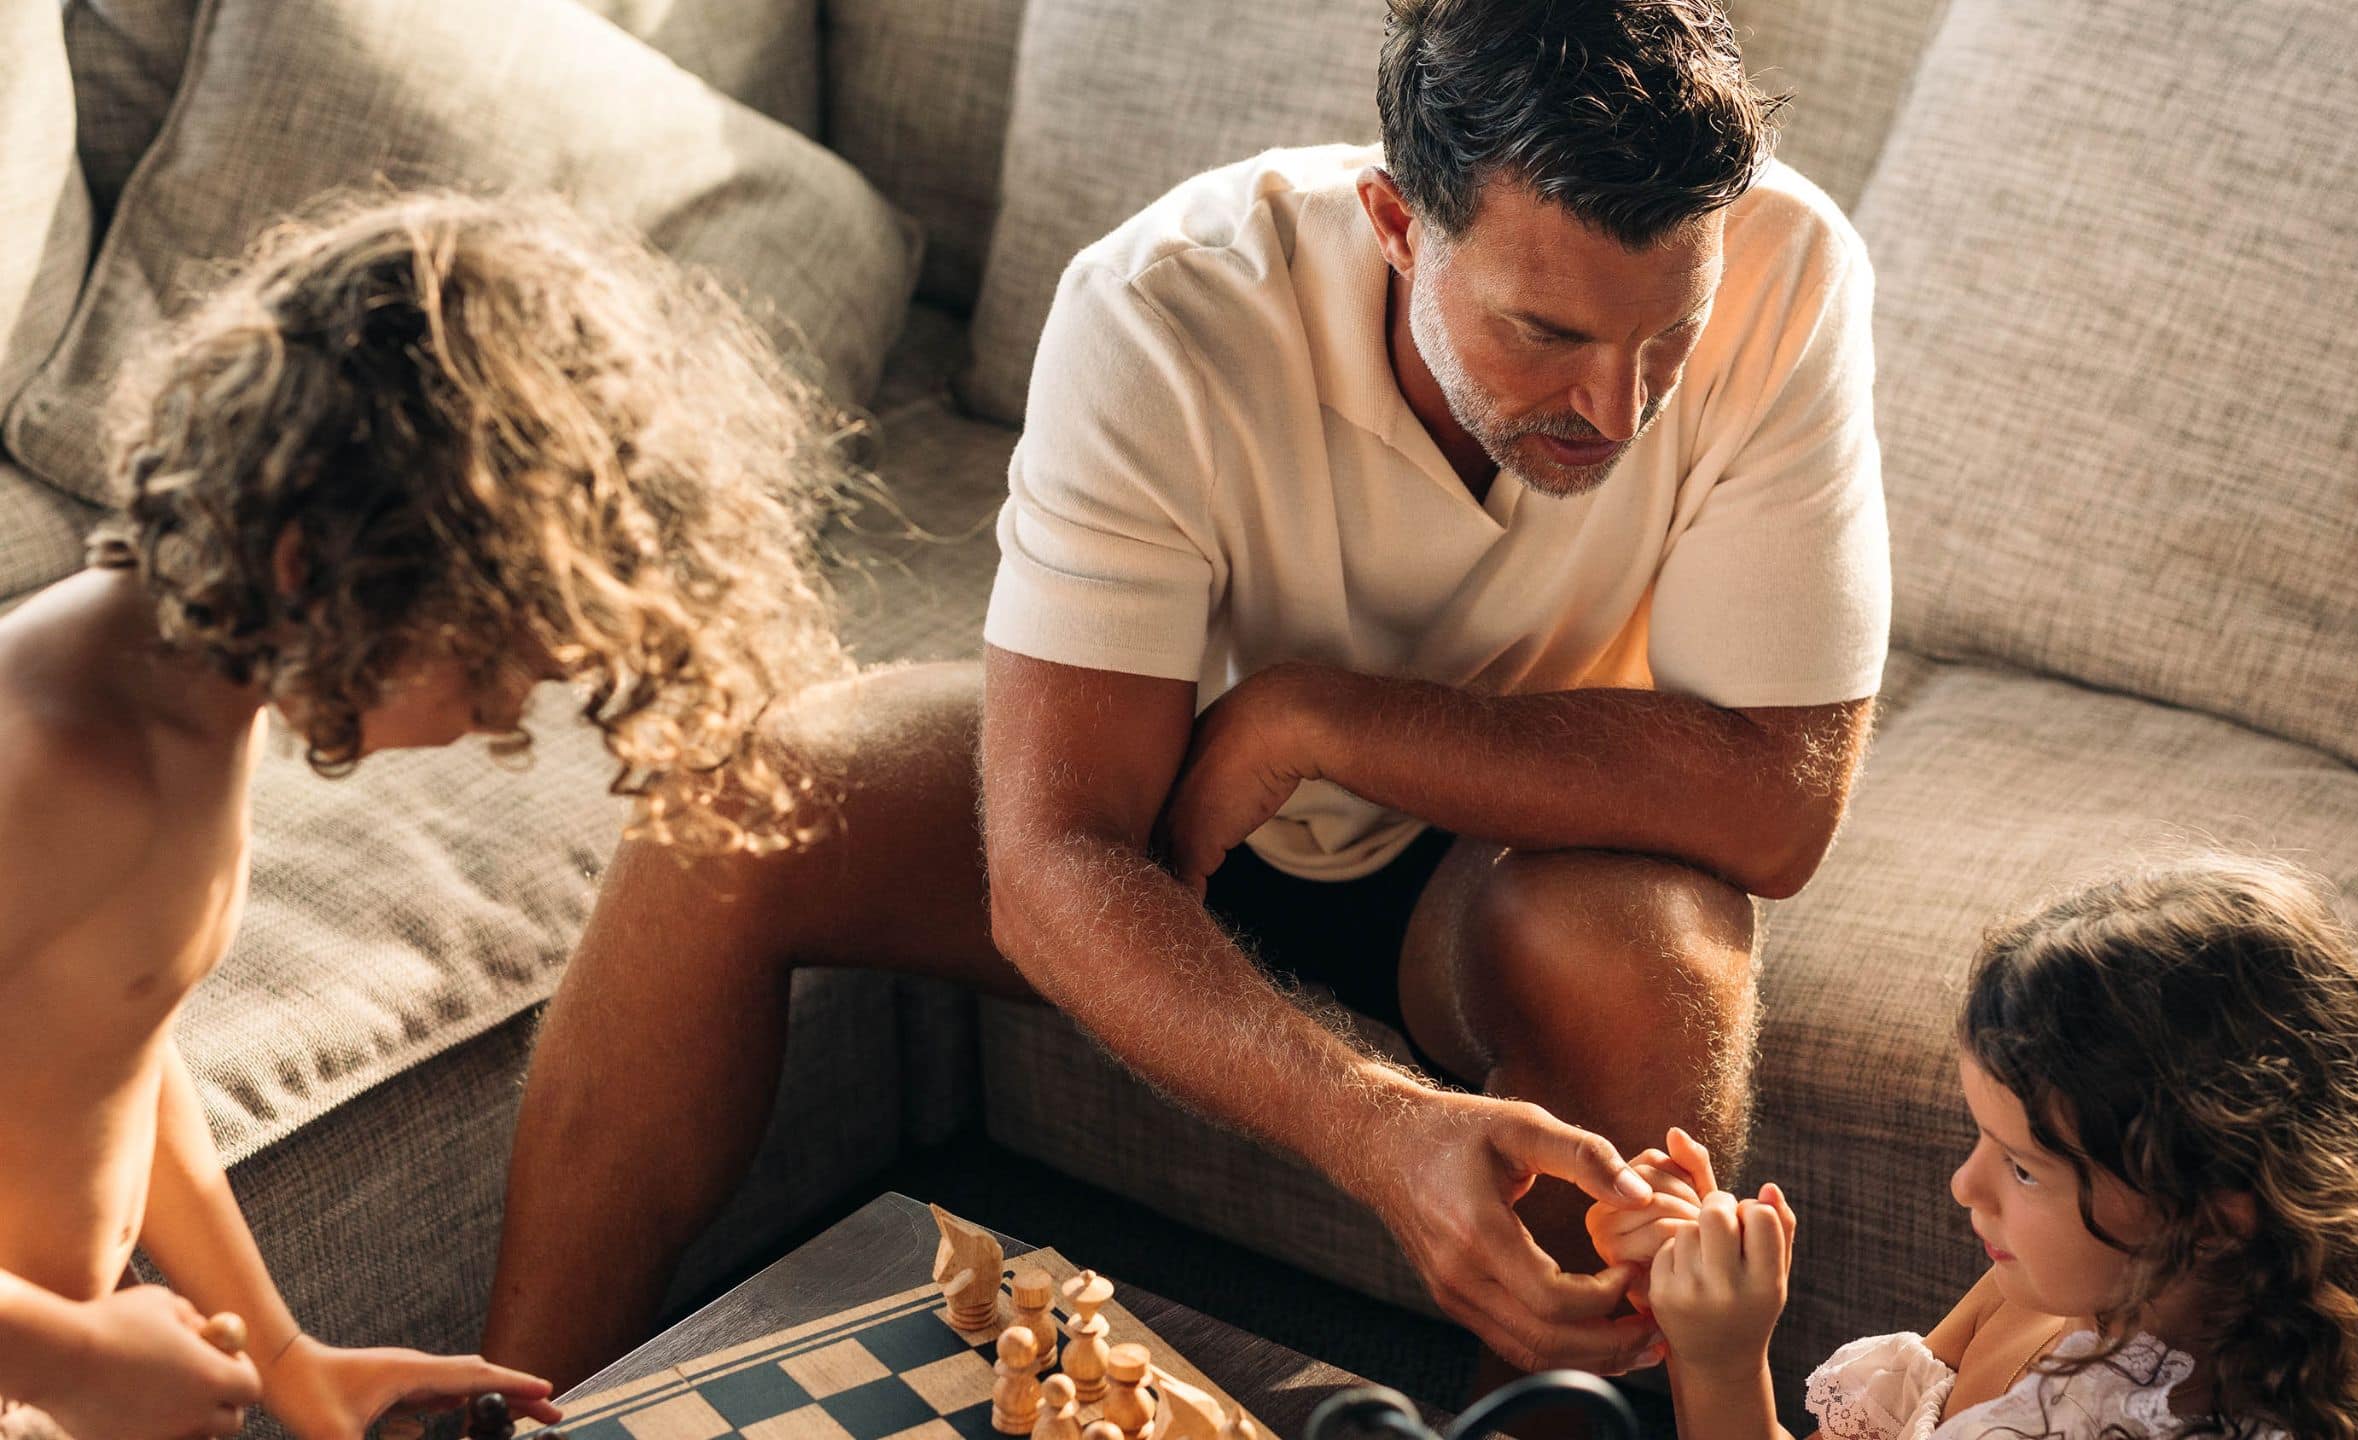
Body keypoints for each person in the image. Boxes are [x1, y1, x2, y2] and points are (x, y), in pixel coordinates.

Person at [486, 0, 1890, 1385]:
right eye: (1545, 333)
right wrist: (1376, 1129)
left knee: (1652, 952)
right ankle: (506, 1415)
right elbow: (1047, 865)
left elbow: (1776, 807)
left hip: (1494, 861)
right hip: (1171, 807)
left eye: (1666, 341)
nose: (1617, 406)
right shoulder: (1167, 304)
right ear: (1398, 223)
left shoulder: (1788, 270)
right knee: (735, 810)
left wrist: (1320, 717)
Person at [0, 190, 847, 1440]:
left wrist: (289, 1358)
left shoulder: (190, 707)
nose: (504, 710)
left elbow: (109, 1043)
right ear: (312, 564)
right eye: (487, 658)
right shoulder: (58, 763)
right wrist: (68, 1357)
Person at [1599, 856, 2358, 1440]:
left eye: (2023, 1165)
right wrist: (1707, 1292)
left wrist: (1720, 1361)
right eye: (1982, 1140)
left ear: (2213, 1217)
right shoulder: (2035, 1291)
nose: (1965, 1186)